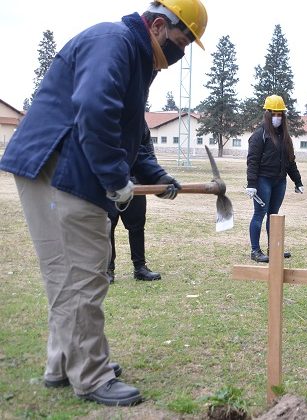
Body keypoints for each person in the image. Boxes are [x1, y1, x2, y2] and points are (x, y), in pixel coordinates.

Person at [0, 0, 207, 406]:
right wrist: (116, 180)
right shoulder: (114, 43)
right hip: (60, 167)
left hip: (61, 165)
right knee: (84, 274)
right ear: (161, 26)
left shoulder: (134, 56)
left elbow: (131, 134)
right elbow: (95, 111)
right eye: (181, 43)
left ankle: (62, 362)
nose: (178, 56)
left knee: (65, 274)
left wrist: (157, 176)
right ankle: (92, 376)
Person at [107, 128, 178, 283]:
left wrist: (157, 177)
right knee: (107, 226)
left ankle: (140, 268)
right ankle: (107, 269)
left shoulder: (140, 124)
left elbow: (147, 152)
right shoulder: (109, 114)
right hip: (110, 183)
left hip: (136, 184)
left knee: (137, 226)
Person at [246, 95, 304, 263]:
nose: (277, 117)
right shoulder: (259, 136)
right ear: (267, 114)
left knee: (274, 215)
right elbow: (252, 161)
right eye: (274, 113)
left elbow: (290, 162)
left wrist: (298, 181)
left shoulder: (285, 137)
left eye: (280, 114)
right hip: (263, 180)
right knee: (260, 214)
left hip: (280, 181)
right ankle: (255, 251)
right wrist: (252, 184)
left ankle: (275, 249)